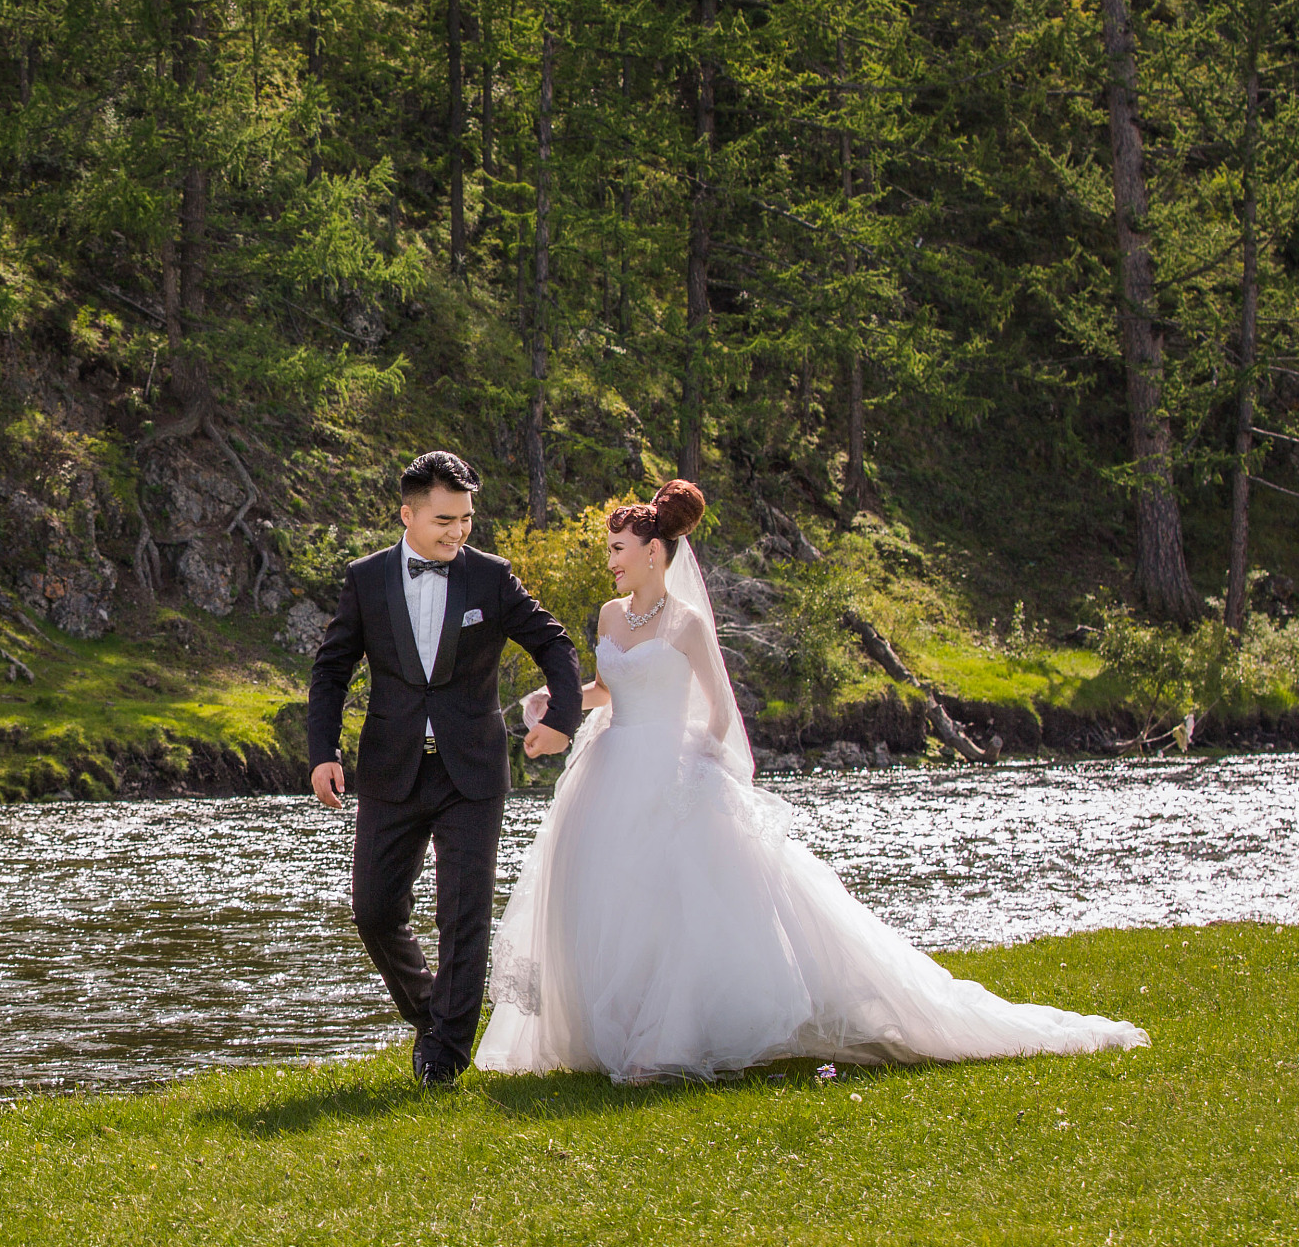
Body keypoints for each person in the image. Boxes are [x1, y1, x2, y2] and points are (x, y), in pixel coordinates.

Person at [474, 478, 1146, 1079]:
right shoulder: (610, 617)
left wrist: (697, 773)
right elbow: (606, 688)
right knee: (613, 907)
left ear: (654, 551)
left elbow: (720, 713)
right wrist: (552, 703)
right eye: (610, 549)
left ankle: (667, 1043)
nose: (611, 560)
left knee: (676, 908)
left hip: (671, 776)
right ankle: (612, 1037)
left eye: (619, 548)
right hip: (613, 767)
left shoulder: (687, 625)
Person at [305, 451, 588, 1087]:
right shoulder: (367, 579)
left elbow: (554, 643)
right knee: (374, 910)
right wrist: (324, 751)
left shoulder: (491, 578)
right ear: (407, 514)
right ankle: (435, 1017)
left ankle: (445, 1057)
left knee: (463, 915)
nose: (457, 532)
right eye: (443, 520)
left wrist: (562, 717)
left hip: (473, 771)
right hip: (389, 768)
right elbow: (330, 669)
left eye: (465, 520)